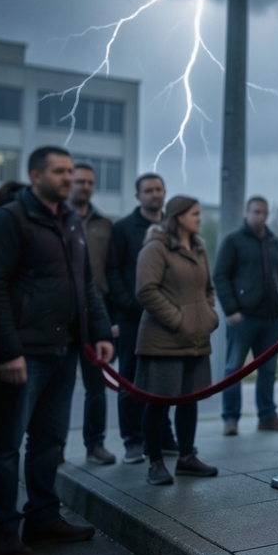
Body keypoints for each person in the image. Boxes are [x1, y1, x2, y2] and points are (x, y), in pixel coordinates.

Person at [0, 147, 114, 555]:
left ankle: (43, 517)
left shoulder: (71, 221)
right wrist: (8, 352)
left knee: (49, 441)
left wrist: (100, 331)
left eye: (70, 171)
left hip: (64, 351)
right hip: (23, 354)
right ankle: (1, 532)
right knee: (5, 444)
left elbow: (85, 284)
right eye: (59, 171)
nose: (67, 178)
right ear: (35, 175)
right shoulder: (9, 219)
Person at [134, 196, 219, 485]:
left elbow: (208, 289)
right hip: (163, 341)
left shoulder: (199, 247)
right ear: (178, 216)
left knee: (189, 400)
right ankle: (155, 462)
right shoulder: (155, 247)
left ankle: (186, 458)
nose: (199, 218)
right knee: (159, 403)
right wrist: (179, 321)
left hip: (196, 340)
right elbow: (146, 290)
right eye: (194, 213)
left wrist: (208, 316)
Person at [106, 173, 175, 464]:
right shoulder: (123, 228)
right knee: (130, 380)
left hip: (166, 318)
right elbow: (112, 271)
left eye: (159, 189)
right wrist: (128, 305)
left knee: (164, 380)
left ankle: (163, 436)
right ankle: (133, 440)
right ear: (138, 196)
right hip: (133, 318)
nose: (155, 194)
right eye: (148, 190)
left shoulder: (172, 226)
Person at [215, 196, 278, 435]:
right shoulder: (233, 241)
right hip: (243, 317)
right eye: (256, 212)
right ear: (246, 213)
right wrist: (231, 310)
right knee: (234, 368)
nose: (260, 216)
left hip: (271, 318)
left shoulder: (275, 242)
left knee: (268, 370)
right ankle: (230, 418)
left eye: (264, 212)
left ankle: (267, 416)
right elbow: (220, 275)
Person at [67, 163, 117, 466]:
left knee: (96, 386)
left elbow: (112, 271)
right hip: (62, 314)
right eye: (80, 181)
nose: (85, 186)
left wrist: (109, 320)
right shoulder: (58, 219)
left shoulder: (105, 225)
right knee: (56, 389)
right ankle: (54, 445)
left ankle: (95, 444)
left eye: (90, 182)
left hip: (95, 313)